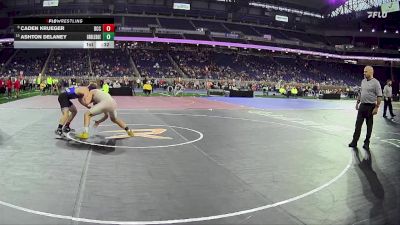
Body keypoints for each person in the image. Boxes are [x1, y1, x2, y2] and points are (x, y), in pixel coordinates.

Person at [349, 66, 382, 150]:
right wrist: (357, 103)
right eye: (364, 71)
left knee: (369, 126)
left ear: (371, 72)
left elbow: (379, 96)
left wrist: (377, 107)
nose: (364, 73)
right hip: (362, 106)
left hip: (371, 106)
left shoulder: (376, 83)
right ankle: (354, 141)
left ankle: (366, 142)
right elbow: (361, 93)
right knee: (358, 125)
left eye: (366, 71)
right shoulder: (363, 81)